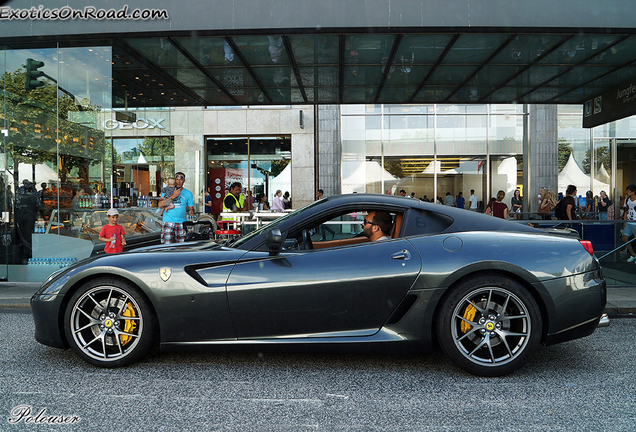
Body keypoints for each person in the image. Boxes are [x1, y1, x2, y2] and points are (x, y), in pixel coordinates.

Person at [159, 172, 194, 244]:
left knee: (182, 248)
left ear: (184, 181)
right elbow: (160, 204)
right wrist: (173, 196)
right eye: (176, 179)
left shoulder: (188, 193)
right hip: (168, 221)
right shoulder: (167, 190)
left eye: (180, 180)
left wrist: (191, 211)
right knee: (166, 247)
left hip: (182, 222)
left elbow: (191, 208)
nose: (178, 181)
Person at [14, 180, 42, 261]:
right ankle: (28, 253)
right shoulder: (33, 197)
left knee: (22, 234)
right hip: (30, 218)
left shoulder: (18, 197)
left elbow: (15, 209)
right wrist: (43, 217)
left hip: (20, 218)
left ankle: (23, 251)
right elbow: (40, 208)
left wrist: (15, 220)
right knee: (29, 235)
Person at [621, 184, 636, 262]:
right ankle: (633, 254)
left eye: (628, 191)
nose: (626, 192)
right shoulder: (627, 200)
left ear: (633, 192)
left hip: (635, 222)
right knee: (625, 238)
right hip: (629, 222)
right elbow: (626, 211)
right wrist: (624, 221)